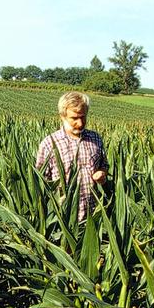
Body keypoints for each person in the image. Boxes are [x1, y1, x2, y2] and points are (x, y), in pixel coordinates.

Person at [35, 91, 108, 221]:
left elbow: (104, 165)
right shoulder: (49, 144)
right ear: (62, 116)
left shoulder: (95, 138)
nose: (80, 123)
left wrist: (102, 173)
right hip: (62, 219)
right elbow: (40, 183)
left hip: (94, 216)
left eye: (83, 117)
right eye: (74, 118)